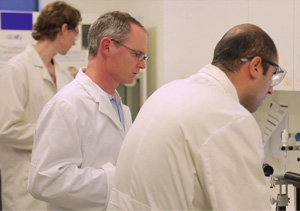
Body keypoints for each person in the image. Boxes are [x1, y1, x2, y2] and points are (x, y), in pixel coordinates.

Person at [108, 23, 287, 210]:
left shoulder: (167, 92)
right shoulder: (231, 118)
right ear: (256, 66)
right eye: (273, 76)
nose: (271, 90)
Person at [28, 11, 148, 210]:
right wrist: (115, 179)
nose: (142, 64)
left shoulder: (121, 108)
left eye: (145, 57)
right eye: (136, 54)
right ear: (107, 46)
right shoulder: (67, 105)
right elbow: (44, 181)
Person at [0, 1, 81, 210]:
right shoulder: (16, 69)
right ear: (64, 29)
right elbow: (6, 129)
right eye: (75, 32)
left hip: (58, 185)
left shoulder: (64, 75)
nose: (75, 40)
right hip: (23, 185)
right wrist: (54, 135)